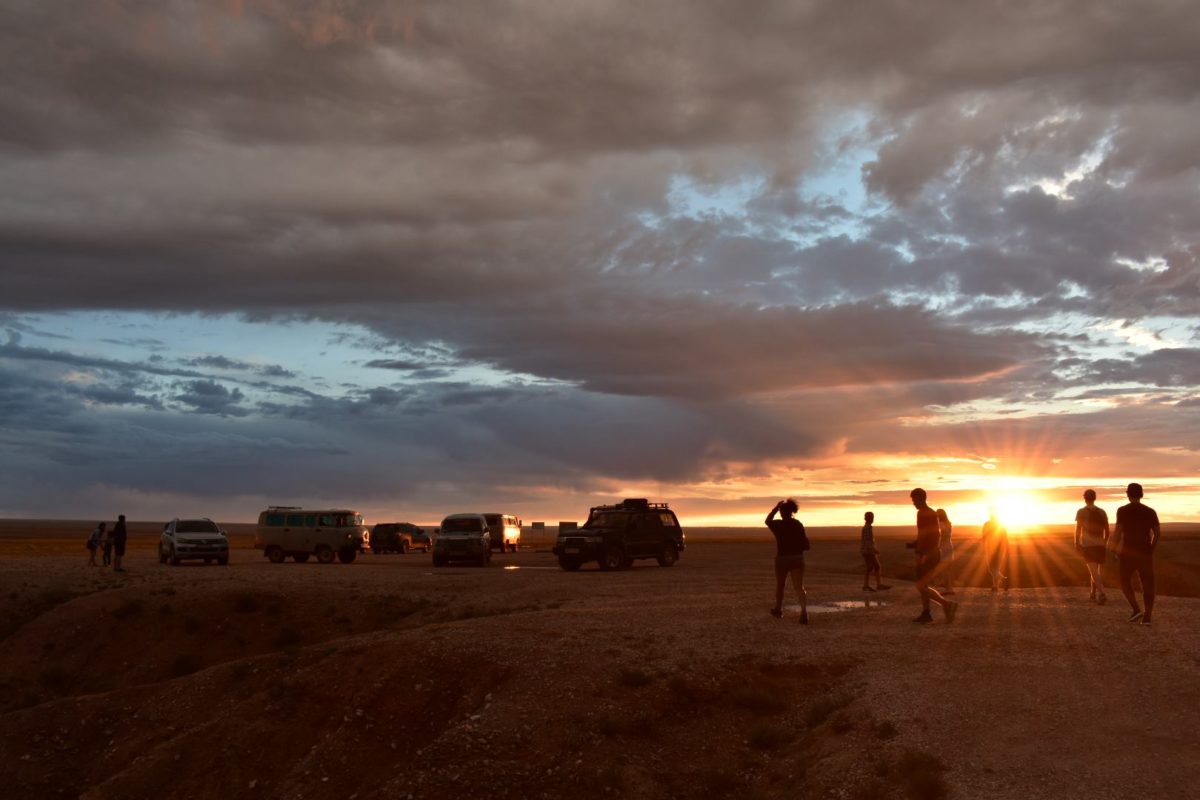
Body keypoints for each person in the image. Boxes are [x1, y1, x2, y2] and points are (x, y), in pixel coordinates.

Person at [908, 489, 957, 623]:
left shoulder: (923, 513)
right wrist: (917, 545)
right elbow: (930, 535)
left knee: (920, 585)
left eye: (914, 500)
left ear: (921, 498)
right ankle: (926, 613)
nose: (913, 503)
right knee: (924, 585)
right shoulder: (930, 513)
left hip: (928, 554)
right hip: (932, 552)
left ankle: (947, 605)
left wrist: (920, 552)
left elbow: (925, 535)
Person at [1113, 483, 1160, 625]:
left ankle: (1136, 609)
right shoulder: (1150, 511)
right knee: (1148, 584)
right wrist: (1150, 549)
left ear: (1128, 494)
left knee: (1124, 580)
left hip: (1128, 552)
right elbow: (1157, 534)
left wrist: (1115, 548)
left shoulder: (1122, 510)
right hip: (1145, 551)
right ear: (1141, 494)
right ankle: (1147, 617)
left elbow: (1118, 532)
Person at [765, 499, 810, 624]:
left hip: (782, 558)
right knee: (799, 587)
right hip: (797, 558)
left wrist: (775, 508)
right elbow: (805, 542)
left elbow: (767, 521)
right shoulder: (798, 524)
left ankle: (778, 609)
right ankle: (804, 613)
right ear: (792, 512)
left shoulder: (778, 525)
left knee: (781, 585)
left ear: (782, 513)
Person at [1074, 490, 1109, 605]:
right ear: (1095, 498)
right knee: (1095, 570)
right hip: (1100, 545)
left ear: (1085, 499)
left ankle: (1102, 592)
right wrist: (1104, 542)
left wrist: (1076, 542)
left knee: (1093, 570)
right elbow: (1107, 531)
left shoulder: (1081, 512)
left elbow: (1078, 529)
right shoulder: (1102, 512)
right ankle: (1092, 593)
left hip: (1088, 545)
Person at [860, 511, 890, 592]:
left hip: (866, 550)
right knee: (875, 567)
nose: (872, 519)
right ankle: (875, 585)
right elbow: (868, 541)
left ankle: (870, 585)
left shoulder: (867, 527)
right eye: (871, 517)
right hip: (868, 551)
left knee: (872, 567)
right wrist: (874, 550)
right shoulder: (867, 528)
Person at [981, 508, 1008, 593]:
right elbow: (1005, 537)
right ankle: (995, 586)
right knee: (996, 568)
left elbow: (984, 536)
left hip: (990, 547)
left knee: (991, 568)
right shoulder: (1001, 524)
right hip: (1000, 548)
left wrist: (984, 545)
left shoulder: (987, 524)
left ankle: (1003, 579)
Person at [936, 508, 955, 594]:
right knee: (947, 568)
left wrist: (938, 547)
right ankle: (949, 587)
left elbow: (942, 536)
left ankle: (948, 589)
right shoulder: (948, 523)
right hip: (949, 545)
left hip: (944, 547)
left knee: (944, 568)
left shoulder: (941, 523)